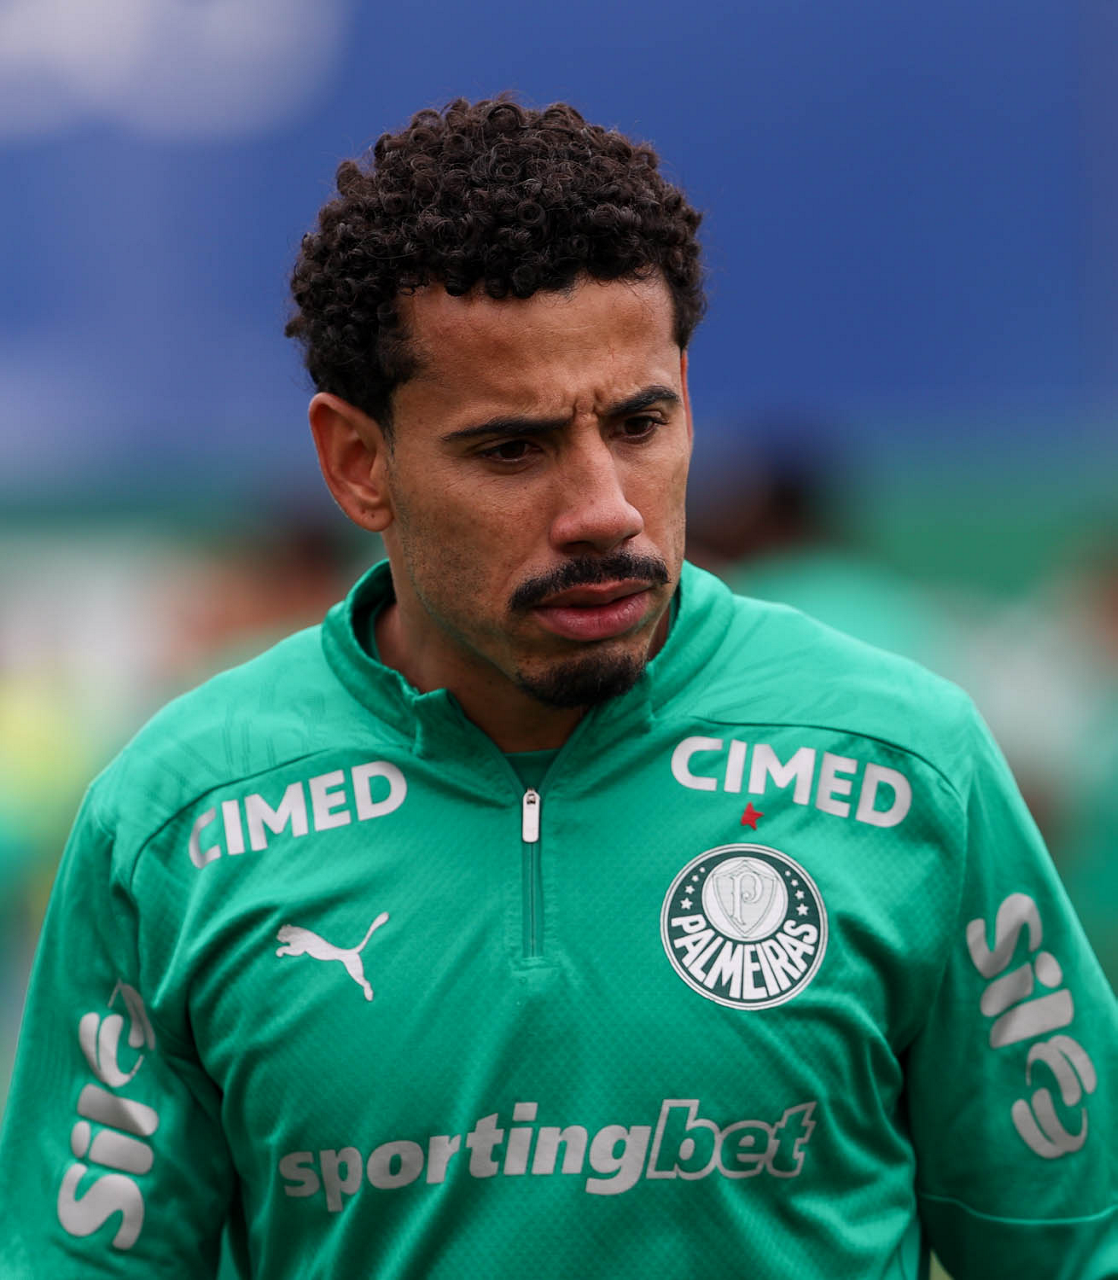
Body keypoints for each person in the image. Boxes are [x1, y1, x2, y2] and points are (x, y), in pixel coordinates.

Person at [0, 97, 1114, 1280]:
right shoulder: (175, 825)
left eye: (638, 422)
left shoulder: (904, 768)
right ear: (358, 462)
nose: (603, 510)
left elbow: (1075, 1245)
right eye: (512, 448)